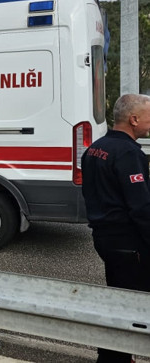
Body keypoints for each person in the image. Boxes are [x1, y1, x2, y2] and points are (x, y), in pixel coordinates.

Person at [81, 93, 150, 363]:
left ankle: (115, 355)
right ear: (134, 119)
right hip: (130, 244)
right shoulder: (130, 153)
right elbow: (141, 208)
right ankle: (113, 358)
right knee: (131, 304)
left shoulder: (95, 148)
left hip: (105, 239)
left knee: (118, 297)